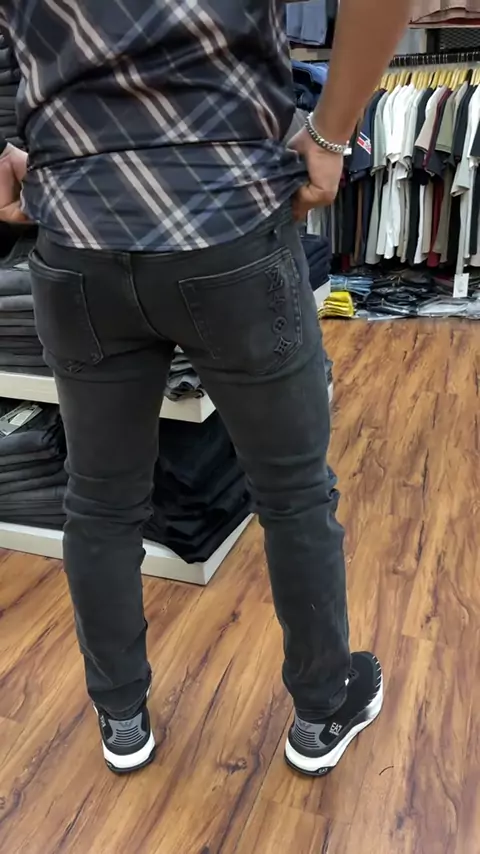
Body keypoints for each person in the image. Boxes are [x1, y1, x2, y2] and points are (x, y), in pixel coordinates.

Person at [0, 0, 412, 776]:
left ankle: (122, 717)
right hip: (227, 223)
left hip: (79, 234)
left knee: (100, 500)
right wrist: (330, 136)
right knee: (291, 492)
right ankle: (321, 711)